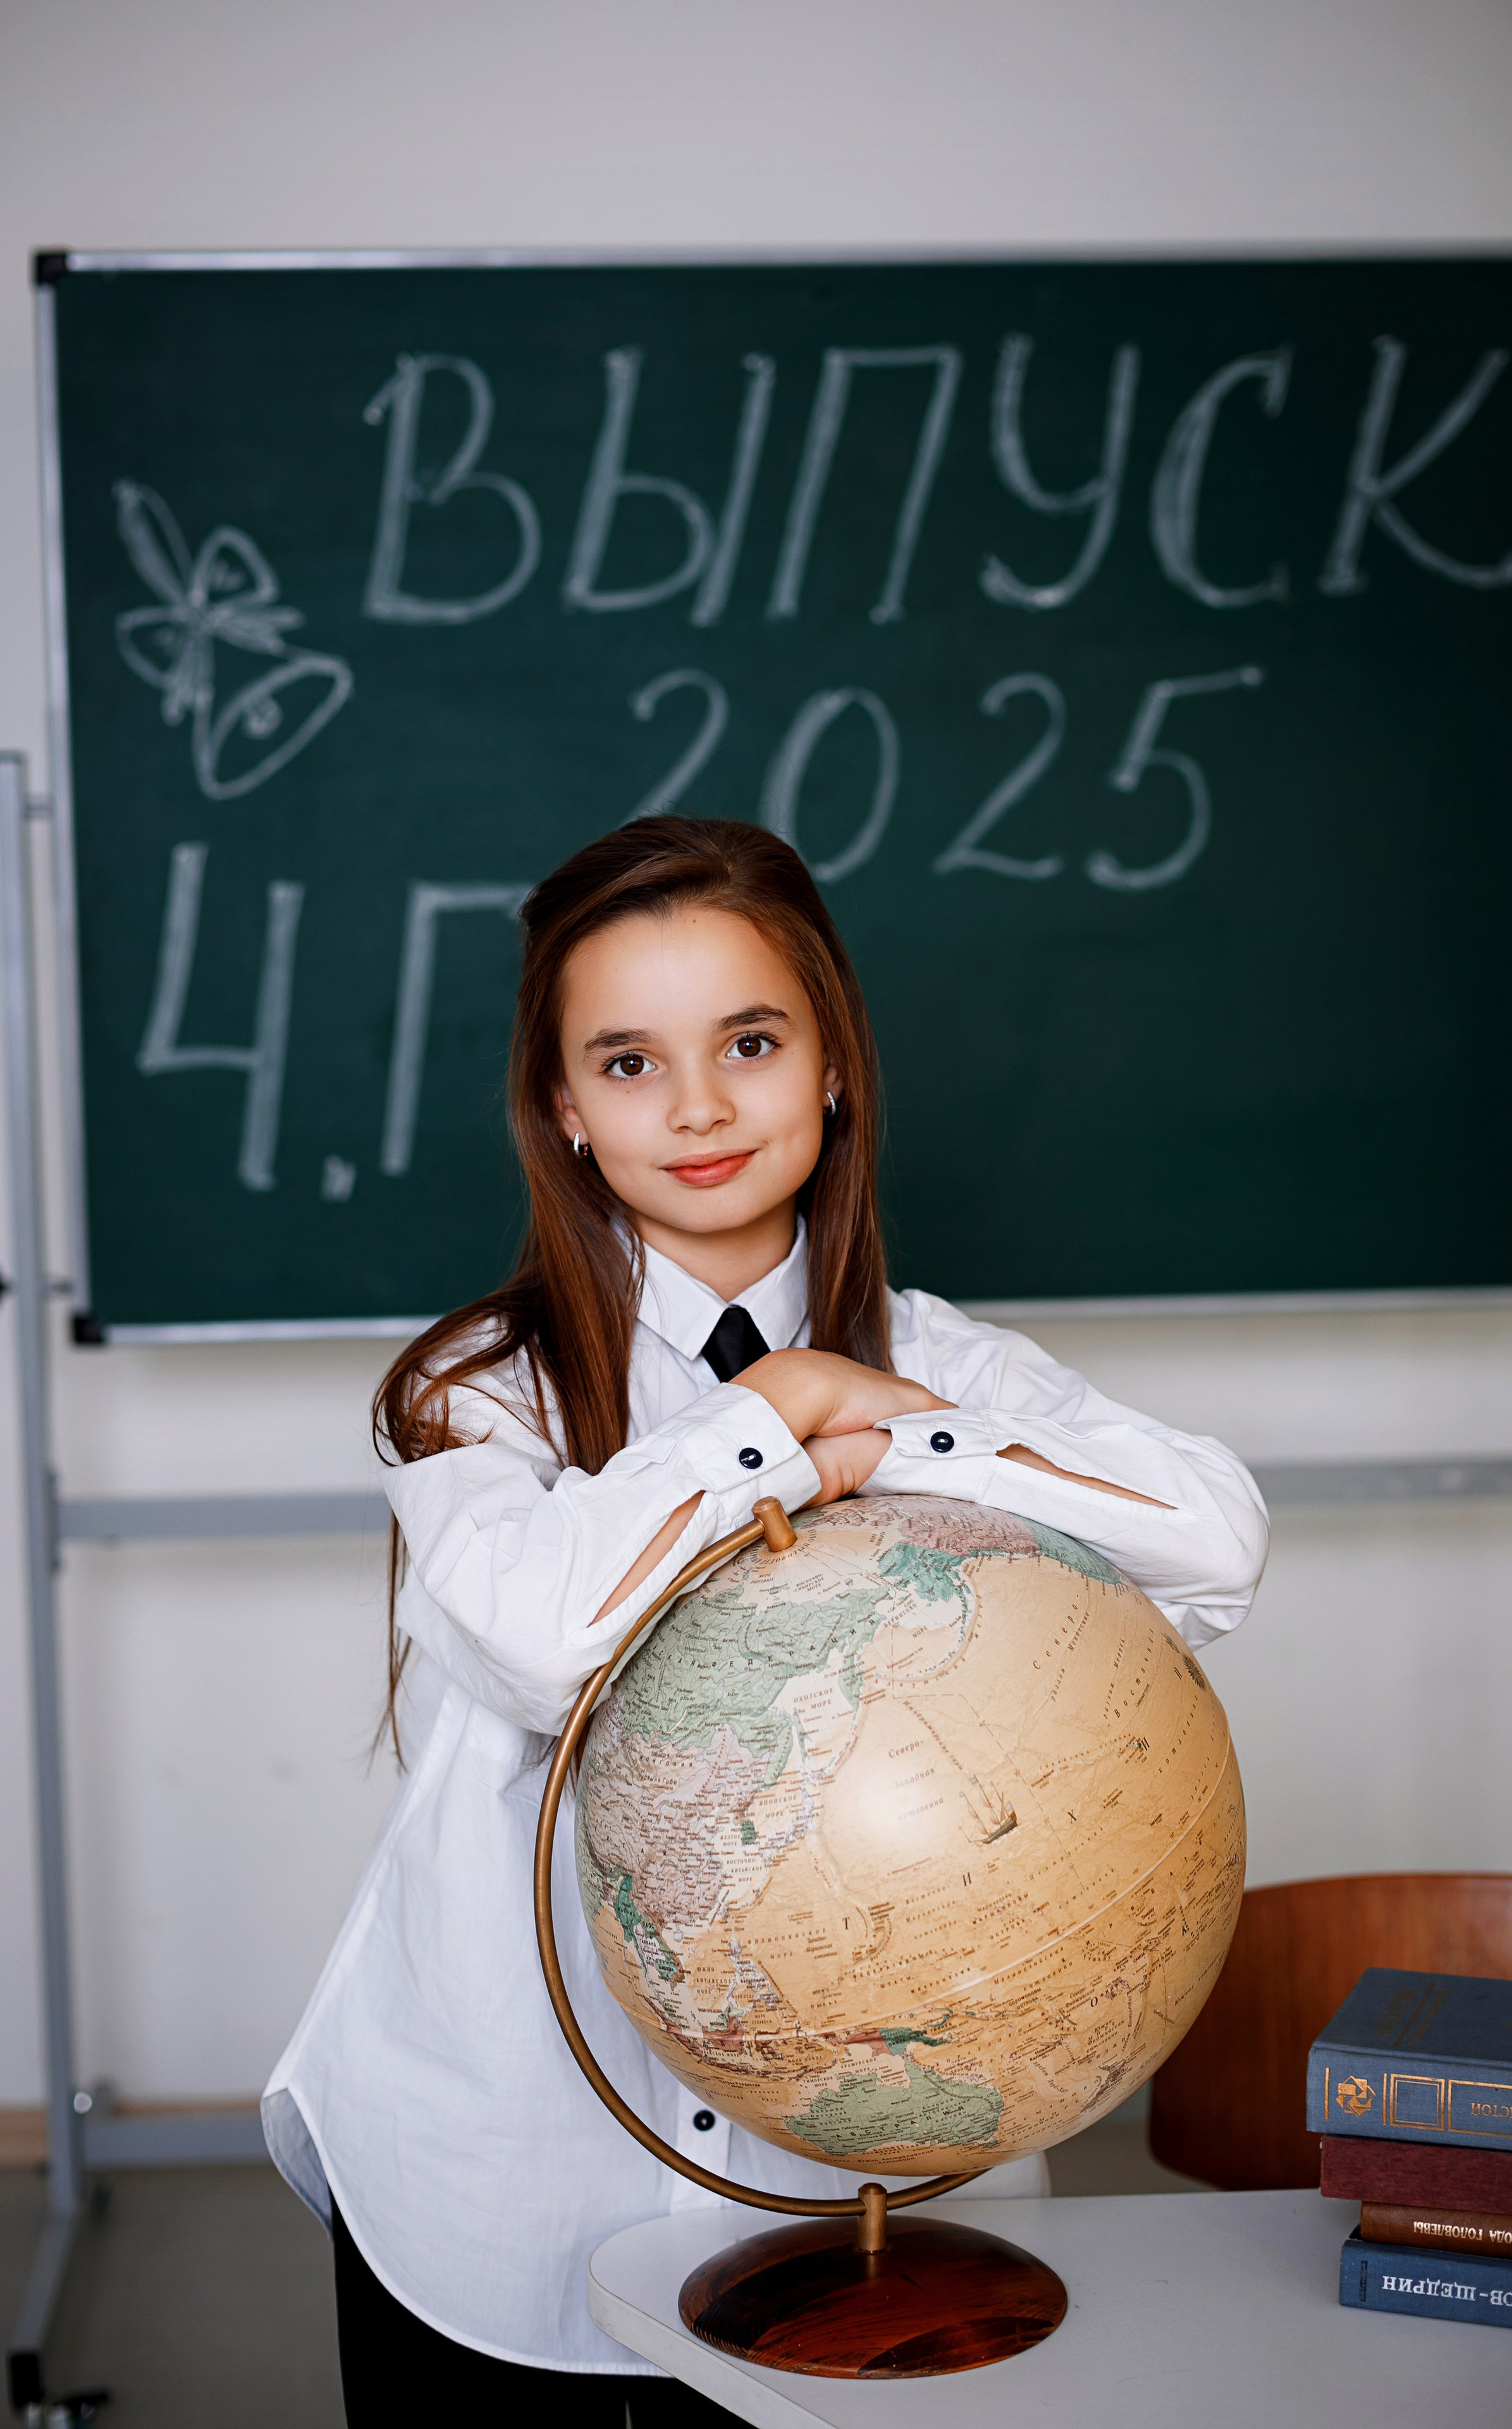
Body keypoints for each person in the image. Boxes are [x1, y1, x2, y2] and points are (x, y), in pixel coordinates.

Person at [263, 816, 1268, 2422]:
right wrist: (777, 1409)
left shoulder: (944, 1362)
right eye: (628, 1062)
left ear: (833, 1063)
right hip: (497, 2161)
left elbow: (1212, 1540)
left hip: (862, 2166)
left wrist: (897, 1430)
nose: (699, 1107)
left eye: (749, 1042)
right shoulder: (472, 1391)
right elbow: (535, 1643)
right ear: (562, 1107)